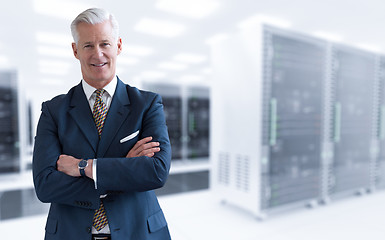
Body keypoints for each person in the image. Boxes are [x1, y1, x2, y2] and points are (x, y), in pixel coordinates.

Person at [32, 8, 171, 240]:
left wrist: (84, 167)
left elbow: (157, 172)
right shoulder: (53, 111)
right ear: (75, 50)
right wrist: (124, 168)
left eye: (105, 44)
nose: (98, 55)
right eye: (88, 46)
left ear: (118, 45)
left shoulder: (146, 104)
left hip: (138, 232)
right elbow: (45, 186)